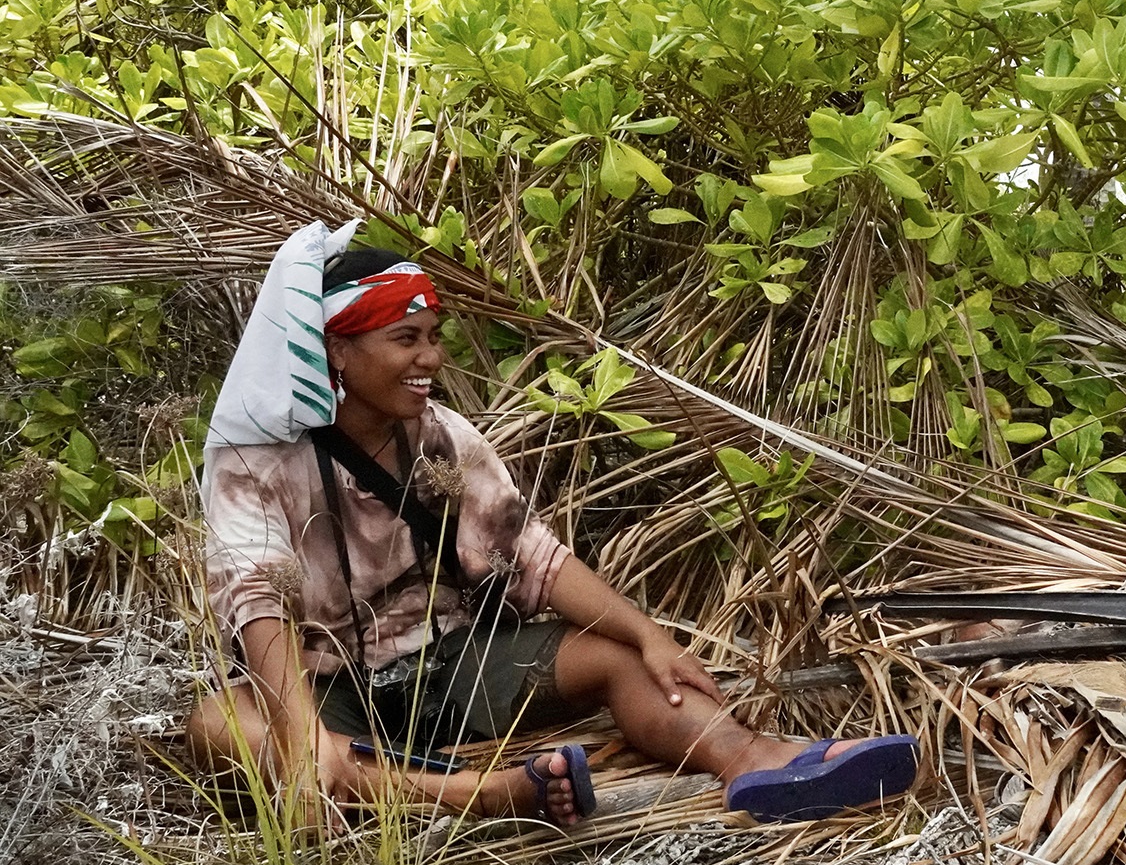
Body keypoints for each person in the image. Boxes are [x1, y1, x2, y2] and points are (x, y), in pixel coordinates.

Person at [185, 222, 919, 827]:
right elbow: (259, 600)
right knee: (222, 727)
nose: (431, 358)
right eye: (406, 339)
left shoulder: (442, 434)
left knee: (617, 659)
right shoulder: (255, 458)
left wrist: (648, 635)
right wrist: (305, 732)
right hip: (330, 683)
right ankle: (485, 795)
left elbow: (530, 554)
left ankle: (752, 761)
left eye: (434, 336)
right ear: (338, 351)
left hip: (447, 665)